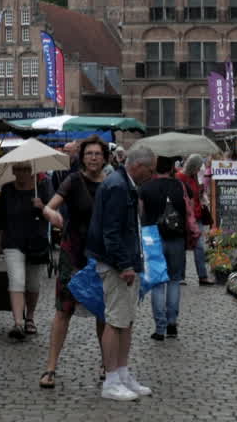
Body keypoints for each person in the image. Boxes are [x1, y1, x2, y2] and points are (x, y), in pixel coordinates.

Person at [38, 135, 108, 389]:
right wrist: (53, 216)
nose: (93, 158)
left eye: (97, 154)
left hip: (100, 254)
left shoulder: (111, 184)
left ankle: (107, 364)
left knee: (103, 311)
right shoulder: (73, 181)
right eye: (89, 153)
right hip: (73, 252)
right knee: (63, 310)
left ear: (104, 158)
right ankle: (50, 368)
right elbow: (49, 207)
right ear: (82, 157)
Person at [86, 145, 156, 402]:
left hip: (125, 262)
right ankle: (112, 379)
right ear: (137, 166)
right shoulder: (117, 186)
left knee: (125, 321)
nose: (152, 174)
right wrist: (124, 265)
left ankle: (122, 373)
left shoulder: (123, 184)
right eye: (150, 169)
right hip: (117, 265)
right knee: (116, 321)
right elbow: (111, 232)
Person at [0, 163, 49, 340]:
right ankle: (18, 322)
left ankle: (30, 318)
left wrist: (42, 206)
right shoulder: (6, 190)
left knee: (33, 284)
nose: (22, 173)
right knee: (16, 280)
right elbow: (2, 219)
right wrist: (0, 239)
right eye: (18, 169)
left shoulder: (43, 187)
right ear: (13, 171)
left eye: (26, 169)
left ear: (32, 170)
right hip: (13, 240)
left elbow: (54, 214)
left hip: (36, 241)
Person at [142, 155, 189, 340]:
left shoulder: (145, 187)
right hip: (176, 238)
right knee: (174, 281)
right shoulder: (179, 186)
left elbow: (140, 214)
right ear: (171, 168)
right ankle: (172, 324)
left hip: (153, 238)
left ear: (154, 168)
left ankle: (160, 329)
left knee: (158, 283)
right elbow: (188, 209)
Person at [179, 154, 214, 285]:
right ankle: (181, 276)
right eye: (198, 167)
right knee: (182, 246)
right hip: (185, 216)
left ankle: (202, 276)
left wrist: (201, 193)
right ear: (193, 166)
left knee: (199, 246)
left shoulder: (195, 177)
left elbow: (196, 195)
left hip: (197, 215)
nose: (200, 169)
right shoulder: (180, 177)